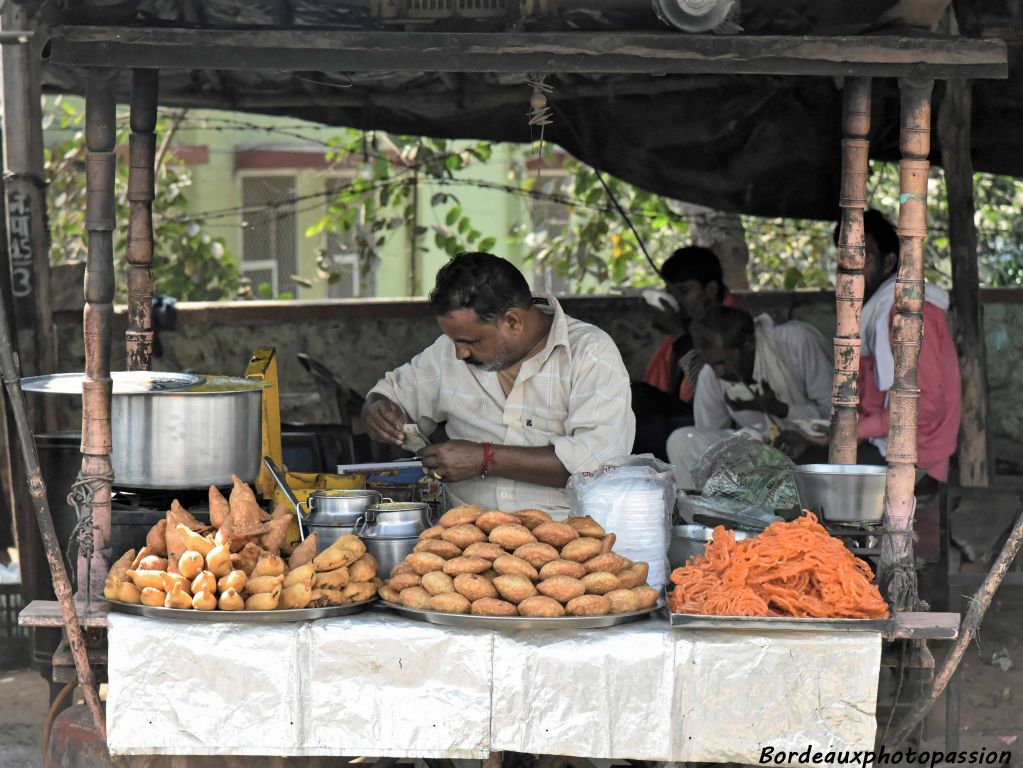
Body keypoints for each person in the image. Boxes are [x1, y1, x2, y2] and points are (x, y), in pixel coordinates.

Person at [362, 251, 635, 517]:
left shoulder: (590, 353)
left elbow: (595, 465)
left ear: (513, 322)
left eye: (471, 341)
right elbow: (387, 395)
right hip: (466, 539)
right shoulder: (448, 351)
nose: (460, 353)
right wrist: (379, 410)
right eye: (454, 341)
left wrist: (485, 459)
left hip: (566, 542)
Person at [846, 209, 961, 484]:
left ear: (888, 262)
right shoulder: (876, 313)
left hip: (920, 460)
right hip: (885, 443)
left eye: (861, 256)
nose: (849, 268)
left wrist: (859, 430)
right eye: (843, 258)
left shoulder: (908, 312)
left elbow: (925, 406)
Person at [665, 305, 833, 489]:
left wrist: (780, 409)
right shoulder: (711, 374)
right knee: (681, 439)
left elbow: (836, 418)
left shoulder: (796, 343)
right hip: (754, 459)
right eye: (711, 364)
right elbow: (708, 443)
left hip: (810, 453)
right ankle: (696, 509)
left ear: (748, 344)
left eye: (724, 362)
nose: (718, 372)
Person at [632, 246, 739, 458]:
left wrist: (677, 333)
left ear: (710, 290)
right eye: (672, 293)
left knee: (645, 428)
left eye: (683, 292)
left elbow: (711, 389)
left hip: (726, 425)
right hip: (690, 417)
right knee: (633, 396)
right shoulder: (692, 326)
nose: (677, 301)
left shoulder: (733, 326)